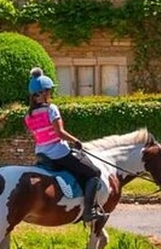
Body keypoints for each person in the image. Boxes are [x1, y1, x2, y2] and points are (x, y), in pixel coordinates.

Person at [25, 67, 107, 222]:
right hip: (58, 153)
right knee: (94, 173)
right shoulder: (51, 109)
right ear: (42, 93)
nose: (50, 93)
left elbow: (39, 136)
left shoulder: (28, 115)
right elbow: (59, 133)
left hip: (41, 154)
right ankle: (89, 212)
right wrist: (75, 141)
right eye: (48, 91)